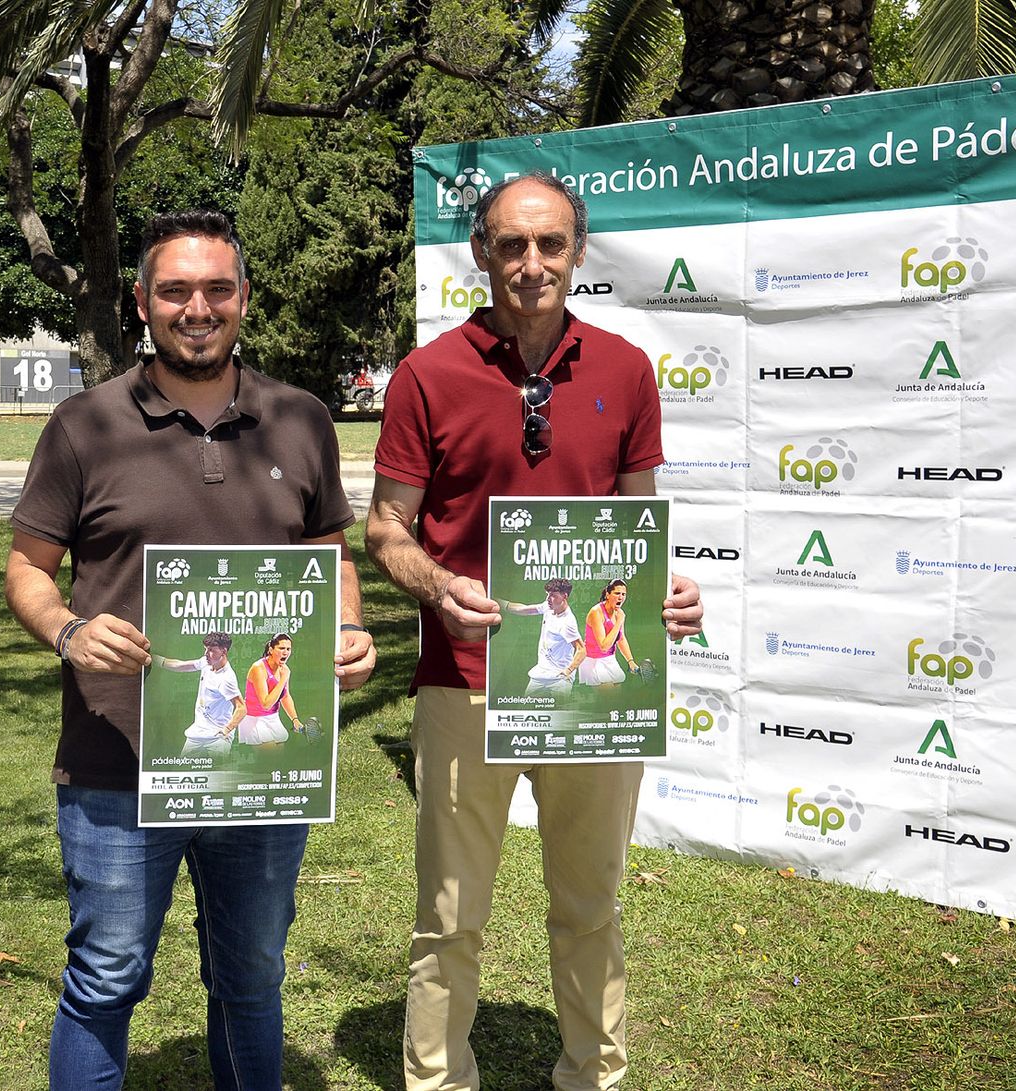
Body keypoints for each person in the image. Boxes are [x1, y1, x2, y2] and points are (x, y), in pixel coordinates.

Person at [4, 209, 376, 1091]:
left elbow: (330, 554)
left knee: (250, 978)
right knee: (106, 976)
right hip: (115, 758)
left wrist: (350, 624)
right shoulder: (83, 423)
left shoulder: (301, 418)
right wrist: (67, 628)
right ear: (143, 300)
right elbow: (26, 568)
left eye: (216, 289)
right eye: (175, 290)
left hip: (260, 770)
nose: (196, 308)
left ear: (244, 298)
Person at [365, 172, 703, 1091]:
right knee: (450, 913)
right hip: (463, 677)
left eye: (550, 244)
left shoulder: (627, 369)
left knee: (590, 903)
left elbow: (640, 523)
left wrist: (665, 591)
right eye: (511, 244)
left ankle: (592, 1075)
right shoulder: (427, 374)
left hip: (589, 691)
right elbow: (385, 526)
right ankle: (438, 1080)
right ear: (481, 251)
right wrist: (438, 586)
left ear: (578, 252)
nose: (531, 263)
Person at [154, 631, 247, 758]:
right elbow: (181, 665)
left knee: (216, 775)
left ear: (224, 651)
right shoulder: (206, 662)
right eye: (205, 649)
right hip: (196, 733)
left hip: (217, 739)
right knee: (183, 769)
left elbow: (242, 708)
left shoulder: (226, 678)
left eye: (211, 650)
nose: (206, 654)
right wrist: (157, 660)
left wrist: (227, 730)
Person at [499, 578, 586, 696]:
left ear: (564, 596)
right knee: (527, 707)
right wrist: (501, 603)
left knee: (559, 713)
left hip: (559, 679)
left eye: (553, 595)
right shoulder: (548, 607)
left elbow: (582, 650)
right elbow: (525, 610)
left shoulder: (567, 622)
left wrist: (568, 671)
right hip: (539, 674)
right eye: (548, 595)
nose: (548, 599)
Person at [240, 633, 302, 749]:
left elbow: (285, 696)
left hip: (273, 718)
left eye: (288, 649)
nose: (286, 652)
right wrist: (283, 678)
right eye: (281, 648)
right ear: (271, 649)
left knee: (278, 760)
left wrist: (295, 719)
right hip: (254, 720)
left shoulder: (283, 669)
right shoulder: (258, 668)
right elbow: (265, 704)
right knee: (269, 759)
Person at [579, 579, 636, 687]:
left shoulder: (619, 613)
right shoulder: (596, 612)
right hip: (593, 661)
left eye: (623, 594)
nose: (621, 597)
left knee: (617, 696)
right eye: (617, 593)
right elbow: (603, 646)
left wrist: (630, 661)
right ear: (608, 594)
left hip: (610, 659)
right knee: (609, 696)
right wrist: (619, 622)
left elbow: (621, 639)